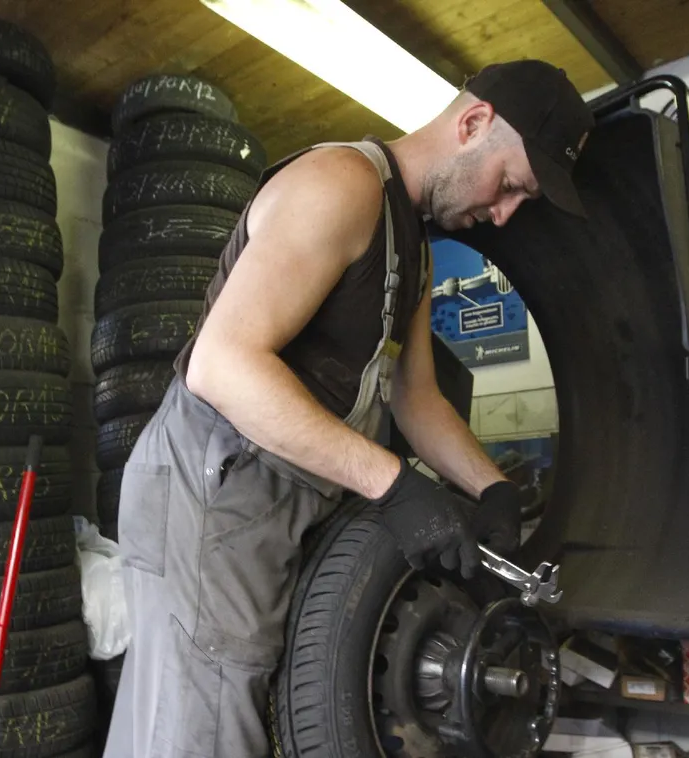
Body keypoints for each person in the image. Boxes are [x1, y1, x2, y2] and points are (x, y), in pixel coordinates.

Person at [103, 59, 594, 758]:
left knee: (190, 721)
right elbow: (223, 364)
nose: (505, 211)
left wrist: (492, 488)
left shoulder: (414, 247)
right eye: (510, 183)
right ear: (473, 122)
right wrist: (391, 483)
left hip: (280, 490)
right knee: (203, 730)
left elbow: (414, 395)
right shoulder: (340, 186)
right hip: (212, 487)